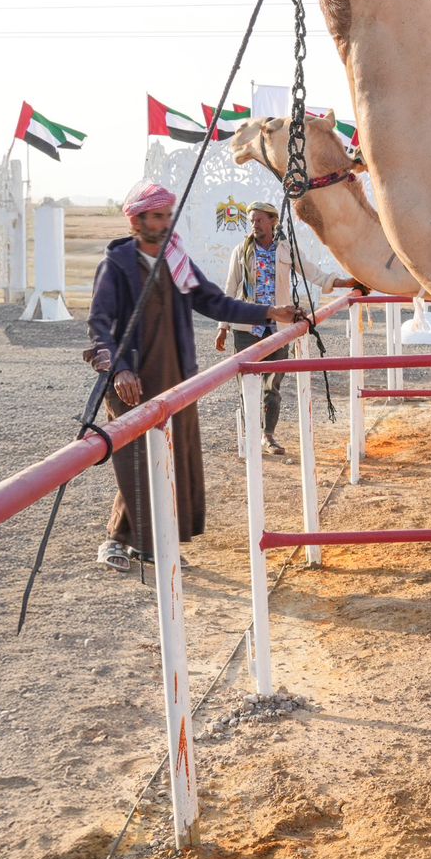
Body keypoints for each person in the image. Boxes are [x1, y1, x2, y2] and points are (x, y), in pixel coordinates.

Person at [86, 181, 299, 572]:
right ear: (137, 220)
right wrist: (119, 369)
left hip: (174, 377)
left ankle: (151, 546)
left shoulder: (176, 260)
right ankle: (116, 540)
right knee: (135, 460)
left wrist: (270, 312)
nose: (164, 222)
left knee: (168, 461)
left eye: (168, 215)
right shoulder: (115, 265)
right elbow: (99, 324)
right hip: (130, 382)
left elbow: (215, 301)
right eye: (156, 216)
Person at [215, 201, 356, 455]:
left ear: (272, 222)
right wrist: (223, 326)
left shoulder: (285, 250)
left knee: (273, 386)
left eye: (259, 220)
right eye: (252, 220)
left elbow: (312, 272)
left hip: (278, 329)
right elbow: (230, 288)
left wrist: (342, 282)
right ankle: (252, 435)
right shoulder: (241, 251)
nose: (254, 225)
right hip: (247, 329)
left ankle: (268, 436)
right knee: (248, 384)